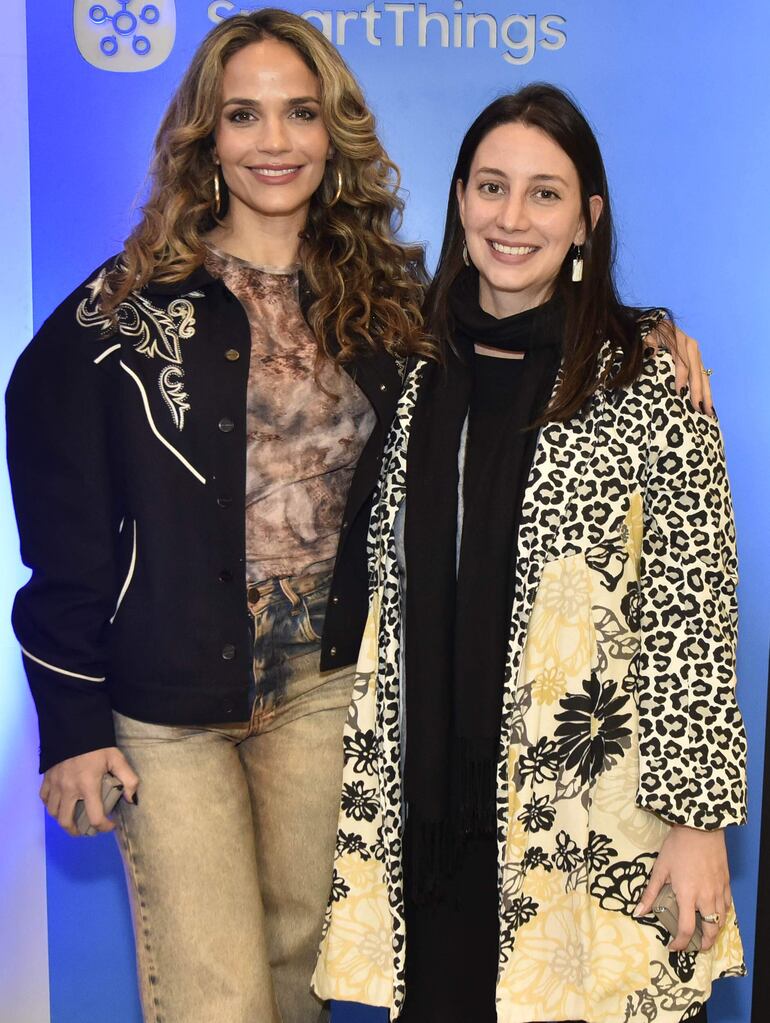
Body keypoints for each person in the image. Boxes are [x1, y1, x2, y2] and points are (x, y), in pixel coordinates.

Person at [5, 10, 429, 1023]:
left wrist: (646, 330)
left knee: (298, 986)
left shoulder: (388, 295)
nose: (273, 143)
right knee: (218, 1001)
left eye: (297, 114)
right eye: (244, 116)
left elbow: (523, 316)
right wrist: (69, 722)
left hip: (325, 688)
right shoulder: (126, 303)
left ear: (333, 132)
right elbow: (58, 518)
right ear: (206, 135)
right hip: (164, 704)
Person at [314, 84, 746, 1023]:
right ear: (461, 196)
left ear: (588, 215)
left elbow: (693, 612)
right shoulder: (400, 359)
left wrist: (697, 822)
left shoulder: (646, 377)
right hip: (426, 819)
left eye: (545, 193)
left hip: (595, 824)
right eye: (491, 186)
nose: (512, 218)